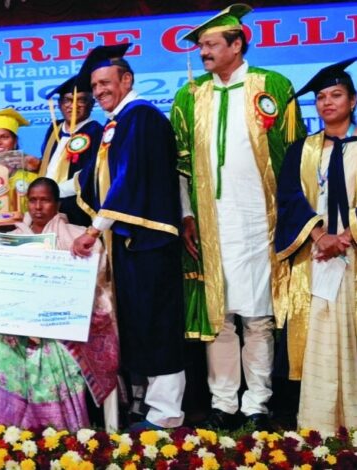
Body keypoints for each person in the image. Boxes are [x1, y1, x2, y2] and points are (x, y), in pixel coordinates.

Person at [170, 3, 305, 431]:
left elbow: (296, 157)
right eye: (201, 46)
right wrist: (187, 215)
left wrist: (293, 219)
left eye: (211, 44)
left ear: (237, 44)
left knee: (259, 317)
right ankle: (224, 403)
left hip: (260, 221)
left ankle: (257, 403)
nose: (203, 52)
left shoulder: (273, 86)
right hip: (210, 224)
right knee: (220, 318)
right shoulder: (190, 96)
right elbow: (181, 166)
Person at [71, 43, 186, 430]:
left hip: (149, 238)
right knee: (139, 321)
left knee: (157, 322)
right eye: (94, 85)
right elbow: (94, 178)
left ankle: (167, 411)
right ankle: (146, 404)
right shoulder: (117, 123)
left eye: (105, 83)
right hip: (128, 240)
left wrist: (94, 229)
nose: (98, 91)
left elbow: (128, 178)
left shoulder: (142, 118)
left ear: (127, 80)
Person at [0, 177, 118, 430]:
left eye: (44, 200)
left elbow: (95, 288)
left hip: (62, 322)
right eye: (33, 200)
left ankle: (56, 429)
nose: (37, 207)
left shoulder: (79, 236)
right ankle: (6, 425)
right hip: (19, 324)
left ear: (57, 204)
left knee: (53, 350)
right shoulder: (12, 239)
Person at [275, 57, 357, 432]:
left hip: (353, 253)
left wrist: (348, 235)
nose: (327, 103)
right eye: (321, 97)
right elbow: (290, 198)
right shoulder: (302, 150)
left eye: (336, 95)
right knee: (319, 337)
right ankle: (319, 425)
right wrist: (321, 237)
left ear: (352, 101)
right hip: (317, 255)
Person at [38, 75, 103, 226]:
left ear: (92, 104)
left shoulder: (96, 132)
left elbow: (93, 174)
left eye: (81, 100)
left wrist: (53, 193)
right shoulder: (55, 128)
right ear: (60, 104)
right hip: (47, 208)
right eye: (67, 100)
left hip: (77, 209)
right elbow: (52, 166)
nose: (73, 106)